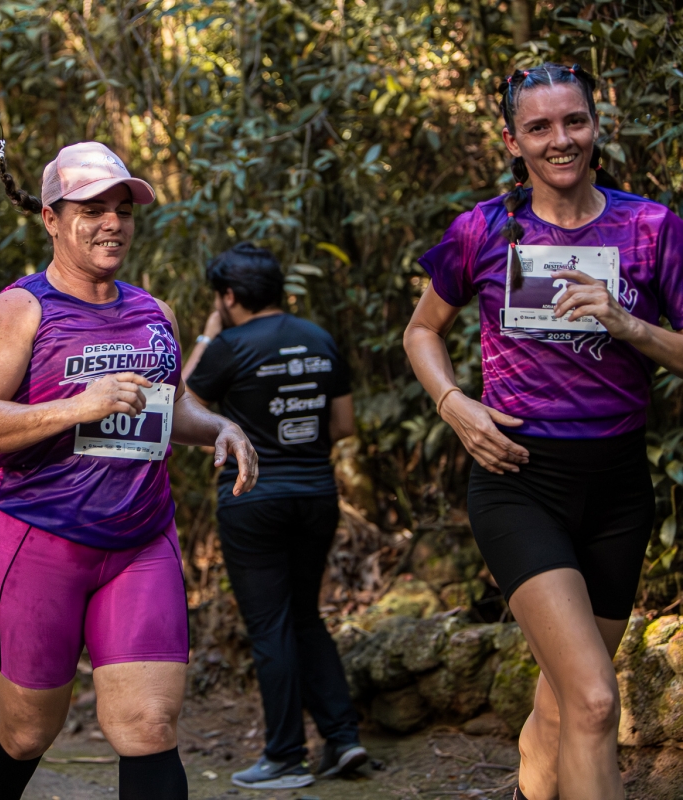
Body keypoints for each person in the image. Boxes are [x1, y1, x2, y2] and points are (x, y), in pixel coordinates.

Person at [404, 63, 683, 800]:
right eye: (539, 127)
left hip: (618, 488)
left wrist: (628, 325)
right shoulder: (484, 229)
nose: (561, 140)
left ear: (596, 125)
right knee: (594, 698)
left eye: (574, 121)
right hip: (519, 480)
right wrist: (453, 404)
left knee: (562, 707)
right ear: (512, 141)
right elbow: (422, 331)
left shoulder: (651, 227)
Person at [0, 141, 259, 800]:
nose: (112, 222)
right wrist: (76, 407)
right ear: (52, 219)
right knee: (28, 731)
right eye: (92, 210)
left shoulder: (154, 313)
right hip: (38, 539)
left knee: (149, 724)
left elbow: (172, 407)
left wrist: (220, 427)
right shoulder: (21, 309)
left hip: (141, 540)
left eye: (123, 209)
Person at [182, 243, 366, 789]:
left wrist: (206, 337)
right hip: (317, 496)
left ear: (228, 297)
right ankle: (343, 739)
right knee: (305, 615)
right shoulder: (320, 338)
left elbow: (176, 405)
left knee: (269, 625)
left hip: (253, 498)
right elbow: (343, 425)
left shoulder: (229, 345)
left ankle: (285, 756)